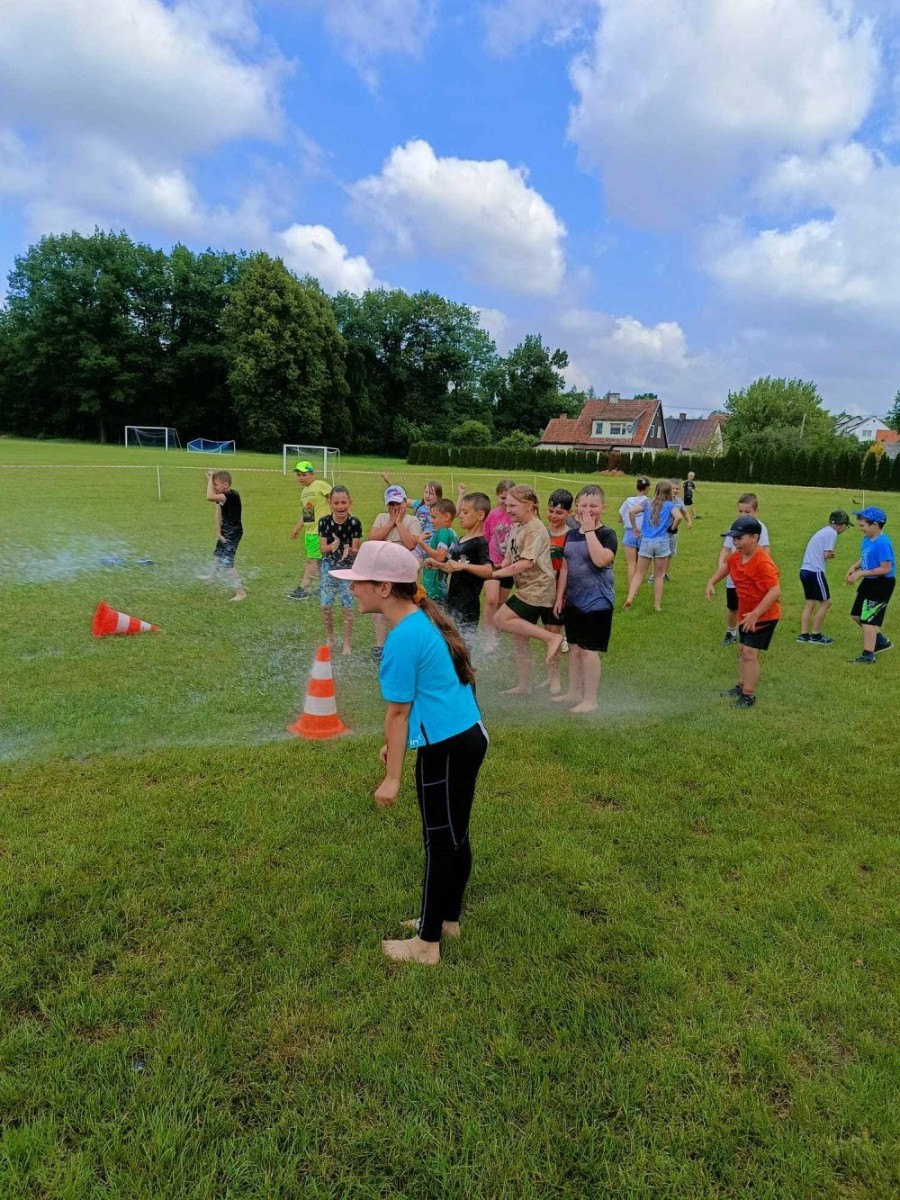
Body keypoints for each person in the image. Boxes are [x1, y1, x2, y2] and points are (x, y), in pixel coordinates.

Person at [330, 541, 488, 966]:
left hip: (447, 747)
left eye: (358, 583)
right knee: (455, 834)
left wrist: (393, 777)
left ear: (384, 588)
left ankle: (426, 944)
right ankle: (448, 919)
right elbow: (430, 693)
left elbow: (398, 713)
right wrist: (395, 743)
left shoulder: (402, 639)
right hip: (465, 736)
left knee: (440, 841)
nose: (352, 590)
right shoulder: (423, 622)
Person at [492, 485, 564, 694]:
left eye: (513, 505)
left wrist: (496, 575)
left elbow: (526, 563)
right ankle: (525, 685)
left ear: (529, 505)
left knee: (501, 619)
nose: (508, 509)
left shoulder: (534, 528)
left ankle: (552, 641)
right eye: (506, 505)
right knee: (519, 636)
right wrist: (499, 566)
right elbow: (510, 557)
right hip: (527, 587)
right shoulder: (517, 525)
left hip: (539, 589)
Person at [552, 485, 617, 713]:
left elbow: (601, 560)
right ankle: (573, 692)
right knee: (575, 648)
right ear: (577, 506)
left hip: (598, 602)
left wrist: (589, 531)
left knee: (589, 651)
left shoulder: (607, 535)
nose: (588, 510)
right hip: (574, 601)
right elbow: (566, 568)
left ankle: (591, 700)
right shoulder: (570, 534)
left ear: (603, 508)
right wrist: (560, 597)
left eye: (594, 506)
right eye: (584, 505)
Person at [705, 515, 782, 708]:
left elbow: (775, 590)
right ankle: (741, 685)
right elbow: (727, 568)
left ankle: (748, 695)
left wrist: (756, 614)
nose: (735, 542)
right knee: (742, 650)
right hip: (746, 614)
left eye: (739, 538)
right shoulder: (737, 557)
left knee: (749, 653)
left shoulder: (762, 561)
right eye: (734, 538)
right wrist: (711, 582)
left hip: (764, 615)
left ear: (755, 537)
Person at [368, 485, 423, 660]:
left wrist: (398, 522)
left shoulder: (412, 521)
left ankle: (401, 646)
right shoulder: (382, 517)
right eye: (391, 504)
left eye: (398, 504)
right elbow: (373, 538)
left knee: (400, 609)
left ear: (405, 503)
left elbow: (411, 544)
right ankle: (380, 646)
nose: (394, 508)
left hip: (402, 573)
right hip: (383, 571)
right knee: (379, 610)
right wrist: (391, 521)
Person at [428, 491, 493, 637]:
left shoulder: (480, 542)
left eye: (465, 512)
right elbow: (454, 567)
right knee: (450, 643)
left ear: (480, 515)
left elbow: (488, 570)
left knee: (462, 649)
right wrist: (439, 565)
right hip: (453, 601)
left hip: (467, 606)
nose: (460, 515)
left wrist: (464, 566)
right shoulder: (462, 539)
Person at [715, 493, 770, 645]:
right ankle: (731, 632)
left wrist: (760, 571)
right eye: (740, 511)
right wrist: (721, 565)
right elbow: (726, 549)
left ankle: (749, 632)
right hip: (734, 575)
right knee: (733, 606)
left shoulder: (759, 528)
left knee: (750, 605)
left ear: (755, 511)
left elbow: (766, 550)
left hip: (751, 576)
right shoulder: (734, 527)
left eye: (747, 511)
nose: (743, 514)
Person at [622, 480, 682, 611]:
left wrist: (634, 528)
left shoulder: (647, 503)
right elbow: (678, 517)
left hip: (646, 541)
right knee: (658, 575)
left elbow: (632, 511)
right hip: (662, 542)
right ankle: (657, 605)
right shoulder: (671, 505)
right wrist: (672, 529)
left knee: (639, 573)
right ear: (669, 492)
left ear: (656, 491)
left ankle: (630, 598)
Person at [845, 506, 895, 663]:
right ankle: (880, 641)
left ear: (875, 525)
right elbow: (865, 557)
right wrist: (855, 567)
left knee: (868, 620)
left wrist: (861, 573)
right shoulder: (867, 539)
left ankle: (868, 655)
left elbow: (885, 569)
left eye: (863, 525)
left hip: (881, 583)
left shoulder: (883, 543)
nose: (861, 529)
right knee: (856, 615)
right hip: (869, 581)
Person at [318, 485, 362, 656]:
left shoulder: (354, 523)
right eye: (336, 503)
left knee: (347, 606)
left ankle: (347, 643)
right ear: (330, 503)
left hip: (348, 568)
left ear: (350, 503)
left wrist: (348, 550)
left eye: (343, 502)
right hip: (329, 566)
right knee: (325, 605)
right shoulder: (324, 522)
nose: (340, 506)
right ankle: (330, 638)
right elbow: (323, 549)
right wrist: (332, 546)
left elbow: (356, 550)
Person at [797, 510, 852, 645]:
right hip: (815, 571)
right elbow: (827, 554)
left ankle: (803, 635)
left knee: (810, 603)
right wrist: (832, 555)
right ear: (840, 525)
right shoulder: (832, 533)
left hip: (805, 570)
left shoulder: (823, 530)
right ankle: (816, 636)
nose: (845, 529)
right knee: (826, 603)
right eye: (846, 526)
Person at [543, 488, 573, 692]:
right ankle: (549, 676)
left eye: (559, 513)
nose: (554, 516)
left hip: (561, 591)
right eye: (551, 511)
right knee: (547, 634)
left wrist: (561, 596)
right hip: (542, 589)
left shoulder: (571, 536)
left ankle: (555, 679)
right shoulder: (542, 532)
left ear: (568, 513)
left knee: (554, 633)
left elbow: (567, 568)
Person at [289, 461, 332, 600]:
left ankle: (302, 589)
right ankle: (325, 587)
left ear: (312, 474)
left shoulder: (320, 485)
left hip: (321, 531)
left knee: (311, 561)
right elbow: (307, 514)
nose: (301, 477)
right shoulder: (304, 492)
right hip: (310, 532)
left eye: (304, 474)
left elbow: (336, 499)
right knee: (320, 562)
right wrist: (297, 528)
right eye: (299, 475)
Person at [201, 469, 246, 601]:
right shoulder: (221, 496)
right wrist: (218, 531)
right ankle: (213, 576)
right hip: (226, 530)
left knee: (227, 563)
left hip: (234, 532)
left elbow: (209, 496)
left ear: (225, 485)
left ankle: (241, 592)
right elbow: (218, 512)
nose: (214, 487)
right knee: (218, 555)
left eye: (216, 484)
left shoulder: (231, 495)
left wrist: (209, 479)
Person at [482, 479, 516, 649]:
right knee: (491, 599)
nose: (505, 502)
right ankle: (488, 636)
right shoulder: (493, 515)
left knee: (502, 601)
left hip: (509, 567)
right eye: (502, 497)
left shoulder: (517, 516)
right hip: (492, 563)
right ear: (497, 496)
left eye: (509, 498)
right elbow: (486, 537)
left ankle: (496, 631)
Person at [617, 476, 650, 589]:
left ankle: (632, 588)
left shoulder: (628, 500)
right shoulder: (647, 502)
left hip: (630, 532)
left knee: (631, 563)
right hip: (643, 534)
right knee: (642, 562)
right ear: (647, 488)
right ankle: (638, 583)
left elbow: (619, 518)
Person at [422, 499, 457, 601]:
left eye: (434, 517)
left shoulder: (443, 532)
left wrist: (421, 543)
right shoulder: (451, 533)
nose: (431, 521)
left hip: (434, 588)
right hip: (439, 586)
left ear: (446, 517)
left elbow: (440, 556)